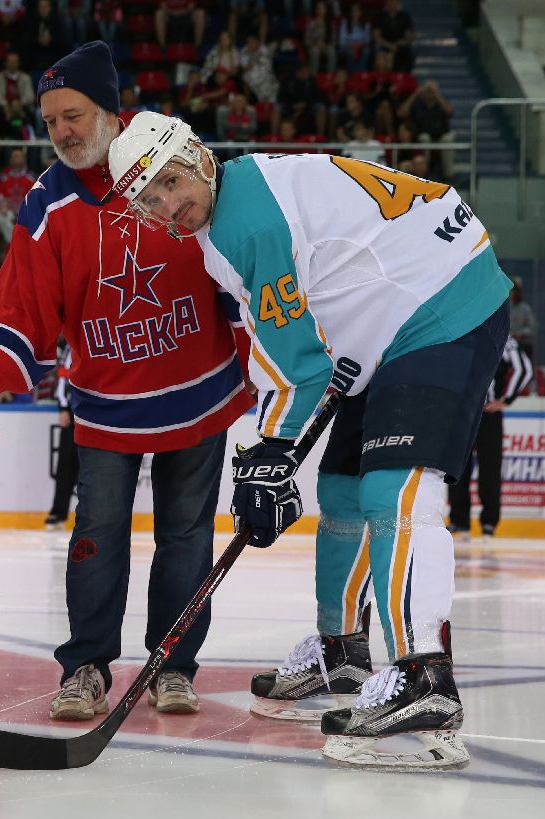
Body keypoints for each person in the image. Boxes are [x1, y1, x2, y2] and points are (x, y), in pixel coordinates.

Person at [105, 111, 512, 769]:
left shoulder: (245, 222)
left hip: (443, 300)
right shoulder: (229, 210)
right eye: (148, 200)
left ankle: (425, 677)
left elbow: (296, 362)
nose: (164, 207)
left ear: (199, 157)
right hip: (390, 317)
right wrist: (275, 449)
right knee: (343, 488)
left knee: (394, 487)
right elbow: (305, 322)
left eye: (169, 184)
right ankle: (342, 651)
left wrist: (268, 451)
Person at [0, 42, 251, 721]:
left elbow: (237, 266)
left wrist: (271, 352)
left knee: (186, 536)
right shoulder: (47, 205)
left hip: (198, 393)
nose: (63, 132)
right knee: (96, 533)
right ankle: (85, 666)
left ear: (110, 111)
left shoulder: (172, 161)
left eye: (73, 114)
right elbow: (19, 307)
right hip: (107, 403)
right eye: (50, 121)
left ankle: (173, 664)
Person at [448, 337, 533, 541]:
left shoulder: (503, 340)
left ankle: (483, 523)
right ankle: (468, 522)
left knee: (487, 468)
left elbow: (525, 370)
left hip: (483, 414)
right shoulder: (465, 334)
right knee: (457, 468)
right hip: (464, 414)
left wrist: (506, 400)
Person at [44, 341, 78, 530]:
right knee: (65, 465)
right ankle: (58, 512)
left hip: (94, 413)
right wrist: (64, 407)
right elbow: (64, 377)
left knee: (93, 468)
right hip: (74, 413)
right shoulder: (69, 347)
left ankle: (91, 515)